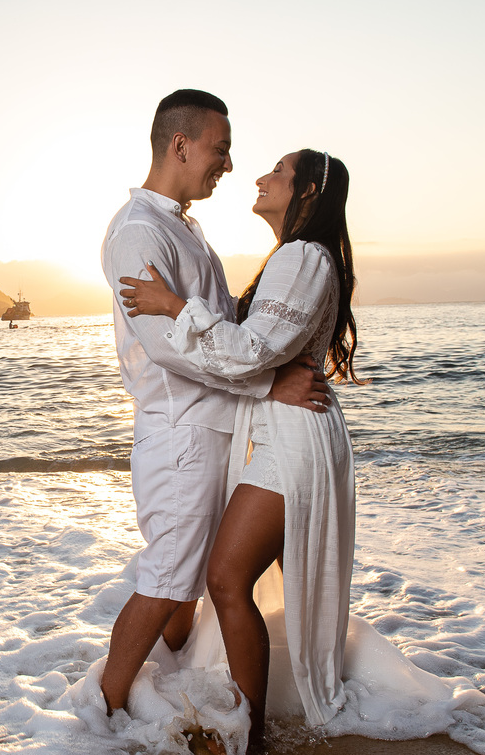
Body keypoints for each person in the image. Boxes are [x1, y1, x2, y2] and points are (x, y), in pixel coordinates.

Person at [119, 149, 360, 751]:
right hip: (271, 428)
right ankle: (255, 708)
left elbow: (252, 351)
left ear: (305, 191)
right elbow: (255, 351)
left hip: (289, 434)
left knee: (227, 578)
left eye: (277, 172)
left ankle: (249, 732)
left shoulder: (303, 256)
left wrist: (174, 306)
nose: (259, 176)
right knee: (233, 576)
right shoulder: (293, 256)